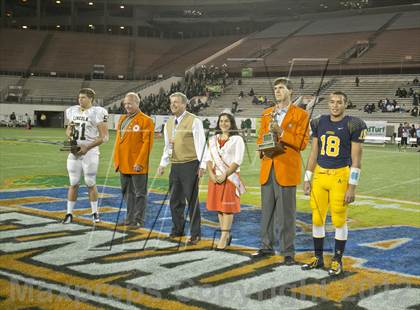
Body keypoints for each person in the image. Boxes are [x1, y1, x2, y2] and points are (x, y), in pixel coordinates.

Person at [301, 91, 367, 276]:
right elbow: (314, 153)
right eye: (332, 102)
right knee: (316, 218)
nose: (335, 105)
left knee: (338, 219)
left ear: (345, 104)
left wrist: (352, 187)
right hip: (320, 175)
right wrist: (307, 178)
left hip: (340, 176)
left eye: (339, 102)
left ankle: (337, 260)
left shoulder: (353, 124)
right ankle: (318, 258)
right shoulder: (319, 122)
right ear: (328, 104)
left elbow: (356, 159)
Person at [253, 77, 309, 265]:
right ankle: (265, 246)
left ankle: (287, 251)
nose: (277, 91)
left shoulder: (301, 115)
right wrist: (261, 147)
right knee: (266, 212)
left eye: (281, 88)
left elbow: (302, 143)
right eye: (275, 88)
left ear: (290, 91)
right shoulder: (266, 113)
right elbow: (260, 137)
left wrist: (282, 133)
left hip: (286, 169)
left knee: (286, 215)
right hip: (268, 167)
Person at [157, 92, 209, 245]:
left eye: (176, 102)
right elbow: (168, 146)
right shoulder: (168, 123)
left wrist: (203, 165)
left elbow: (201, 144)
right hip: (175, 166)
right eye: (171, 102)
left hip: (190, 165)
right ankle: (177, 229)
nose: (173, 104)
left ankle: (195, 234)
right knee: (175, 201)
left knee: (192, 201)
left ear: (184, 104)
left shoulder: (194, 121)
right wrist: (162, 163)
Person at [62, 88, 109, 224]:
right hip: (75, 152)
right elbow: (69, 130)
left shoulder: (97, 112)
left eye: (83, 97)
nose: (80, 100)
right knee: (73, 182)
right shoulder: (72, 111)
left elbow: (104, 137)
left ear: (90, 99)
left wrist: (87, 147)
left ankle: (95, 213)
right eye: (79, 97)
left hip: (90, 152)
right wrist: (71, 141)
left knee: (90, 182)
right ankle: (69, 213)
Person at [113, 92, 154, 228]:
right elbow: (118, 142)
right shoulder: (122, 119)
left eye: (130, 103)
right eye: (125, 103)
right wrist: (116, 160)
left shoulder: (146, 120)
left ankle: (138, 220)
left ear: (138, 103)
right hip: (123, 163)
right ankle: (129, 218)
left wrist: (140, 162)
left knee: (139, 194)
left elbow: (147, 144)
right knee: (127, 193)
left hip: (137, 164)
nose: (127, 106)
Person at [206, 112, 245, 250]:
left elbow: (238, 161)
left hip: (229, 178)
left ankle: (223, 236)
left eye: (226, 121)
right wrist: (210, 173)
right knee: (219, 208)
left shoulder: (237, 139)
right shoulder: (213, 139)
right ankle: (226, 235)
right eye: (221, 121)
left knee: (227, 209)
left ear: (231, 123)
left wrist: (226, 174)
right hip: (215, 178)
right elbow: (208, 158)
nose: (223, 123)